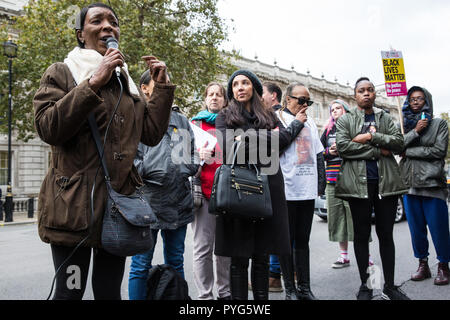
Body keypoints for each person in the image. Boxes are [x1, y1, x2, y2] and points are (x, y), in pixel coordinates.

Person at [33, 3, 175, 300]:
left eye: (113, 21)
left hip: (117, 209)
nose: (108, 26)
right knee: (70, 291)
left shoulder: (127, 84)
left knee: (109, 291)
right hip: (73, 210)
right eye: (97, 21)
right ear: (81, 34)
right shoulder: (62, 72)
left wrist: (161, 90)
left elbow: (149, 134)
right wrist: (94, 81)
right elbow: (48, 127)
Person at [215, 70, 305, 300]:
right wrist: (265, 140)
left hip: (268, 189)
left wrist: (244, 137)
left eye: (245, 83)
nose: (240, 87)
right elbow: (227, 148)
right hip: (238, 191)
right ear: (232, 91)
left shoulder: (270, 116)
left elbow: (283, 141)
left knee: (262, 255)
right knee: (238, 258)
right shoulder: (224, 116)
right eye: (235, 84)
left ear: (254, 88)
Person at [335, 77, 410, 300]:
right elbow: (343, 147)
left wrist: (370, 136)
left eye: (369, 90)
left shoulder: (385, 117)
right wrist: (378, 149)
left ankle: (389, 285)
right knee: (361, 235)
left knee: (386, 235)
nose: (366, 93)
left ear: (374, 94)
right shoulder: (346, 120)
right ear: (355, 95)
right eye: (361, 90)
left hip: (385, 185)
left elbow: (398, 143)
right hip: (358, 186)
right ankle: (366, 286)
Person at [128, 71, 198, 300]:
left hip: (178, 203)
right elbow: (129, 162)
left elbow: (192, 158)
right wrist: (152, 169)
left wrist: (185, 168)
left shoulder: (180, 120)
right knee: (140, 264)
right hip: (146, 205)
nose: (166, 86)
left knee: (176, 261)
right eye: (159, 82)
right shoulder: (136, 116)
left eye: (167, 82)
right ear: (145, 88)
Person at [276, 83, 326, 300]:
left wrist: (320, 183)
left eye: (309, 102)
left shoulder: (312, 122)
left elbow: (318, 153)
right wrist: (297, 123)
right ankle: (290, 290)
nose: (305, 105)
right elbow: (276, 147)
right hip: (286, 189)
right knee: (286, 241)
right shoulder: (276, 119)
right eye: (301, 100)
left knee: (303, 241)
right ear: (288, 100)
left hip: (307, 189)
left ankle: (304, 288)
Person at [399, 86, 449, 286]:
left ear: (427, 101)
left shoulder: (439, 124)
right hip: (409, 186)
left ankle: (444, 265)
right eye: (412, 99)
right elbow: (397, 145)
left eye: (420, 98)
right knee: (416, 230)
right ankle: (423, 265)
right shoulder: (403, 126)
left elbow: (438, 151)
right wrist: (415, 131)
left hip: (432, 185)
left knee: (439, 229)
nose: (416, 102)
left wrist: (409, 151)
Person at [320, 100, 375, 269]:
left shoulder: (355, 127)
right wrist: (330, 151)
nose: (335, 111)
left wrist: (343, 148)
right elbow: (319, 153)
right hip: (332, 180)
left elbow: (365, 148)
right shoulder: (327, 131)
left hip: (351, 178)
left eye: (338, 108)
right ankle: (344, 256)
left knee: (357, 217)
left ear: (345, 110)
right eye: (332, 109)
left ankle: (366, 255)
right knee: (336, 218)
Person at [190, 82, 231, 300]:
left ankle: (225, 293)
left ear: (225, 100)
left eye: (219, 95)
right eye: (211, 94)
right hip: (202, 194)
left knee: (223, 249)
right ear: (205, 98)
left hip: (227, 195)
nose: (214, 97)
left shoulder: (232, 124)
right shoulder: (193, 125)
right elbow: (180, 159)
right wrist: (197, 157)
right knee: (202, 248)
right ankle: (205, 296)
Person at [261, 81, 284, 292]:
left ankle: (275, 275)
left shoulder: (279, 117)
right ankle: (278, 273)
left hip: (279, 179)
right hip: (274, 178)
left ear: (274, 96)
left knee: (277, 231)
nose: (259, 97)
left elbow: (280, 141)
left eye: (263, 94)